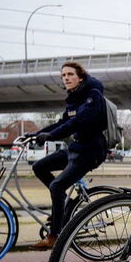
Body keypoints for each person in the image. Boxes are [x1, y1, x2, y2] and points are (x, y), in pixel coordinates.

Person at [29, 61, 108, 250]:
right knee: (39, 167)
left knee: (56, 186)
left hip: (91, 151)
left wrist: (51, 136)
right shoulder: (74, 98)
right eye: (63, 75)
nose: (66, 78)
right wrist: (34, 135)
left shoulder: (93, 95)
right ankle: (65, 204)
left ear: (80, 77)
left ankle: (55, 236)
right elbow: (62, 123)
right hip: (76, 148)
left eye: (70, 74)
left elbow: (79, 121)